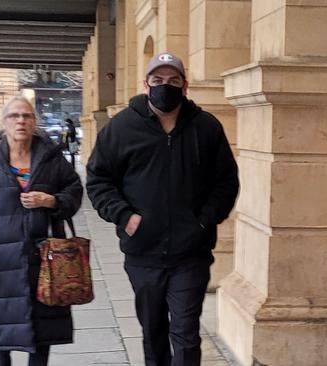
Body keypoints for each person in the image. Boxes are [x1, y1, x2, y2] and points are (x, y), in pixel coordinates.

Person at [86, 52, 239, 366]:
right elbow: (99, 180)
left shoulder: (206, 127)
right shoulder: (121, 128)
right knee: (153, 332)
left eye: (173, 81)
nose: (164, 86)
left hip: (190, 254)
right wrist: (125, 217)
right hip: (143, 254)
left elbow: (226, 181)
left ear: (185, 86)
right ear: (146, 84)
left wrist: (204, 221)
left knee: (185, 333)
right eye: (158, 81)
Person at [0, 96, 83, 366]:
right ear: (4, 122)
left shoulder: (50, 157)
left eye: (26, 116)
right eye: (14, 116)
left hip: (44, 259)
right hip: (0, 258)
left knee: (44, 328)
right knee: (0, 322)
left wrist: (51, 201)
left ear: (34, 122)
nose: (21, 121)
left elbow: (74, 190)